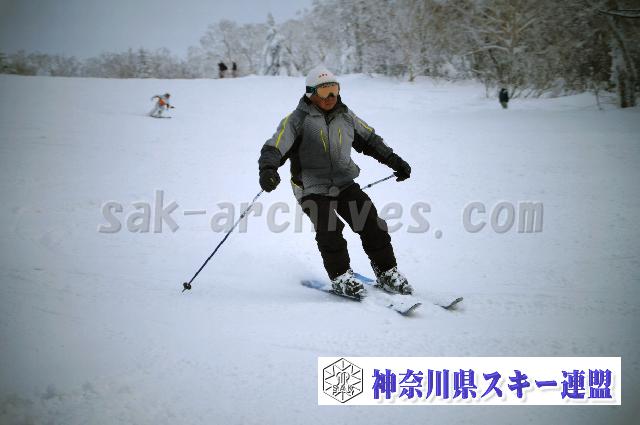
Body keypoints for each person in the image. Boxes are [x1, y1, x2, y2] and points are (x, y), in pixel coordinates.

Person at [258, 65, 413, 298]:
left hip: (344, 183)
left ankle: (386, 272)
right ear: (311, 93)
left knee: (371, 222)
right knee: (329, 228)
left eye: (334, 89)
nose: (331, 96)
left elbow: (370, 140)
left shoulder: (346, 116)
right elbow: (274, 147)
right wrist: (268, 169)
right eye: (324, 91)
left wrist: (394, 160)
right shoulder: (297, 120)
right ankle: (340, 277)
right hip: (311, 187)